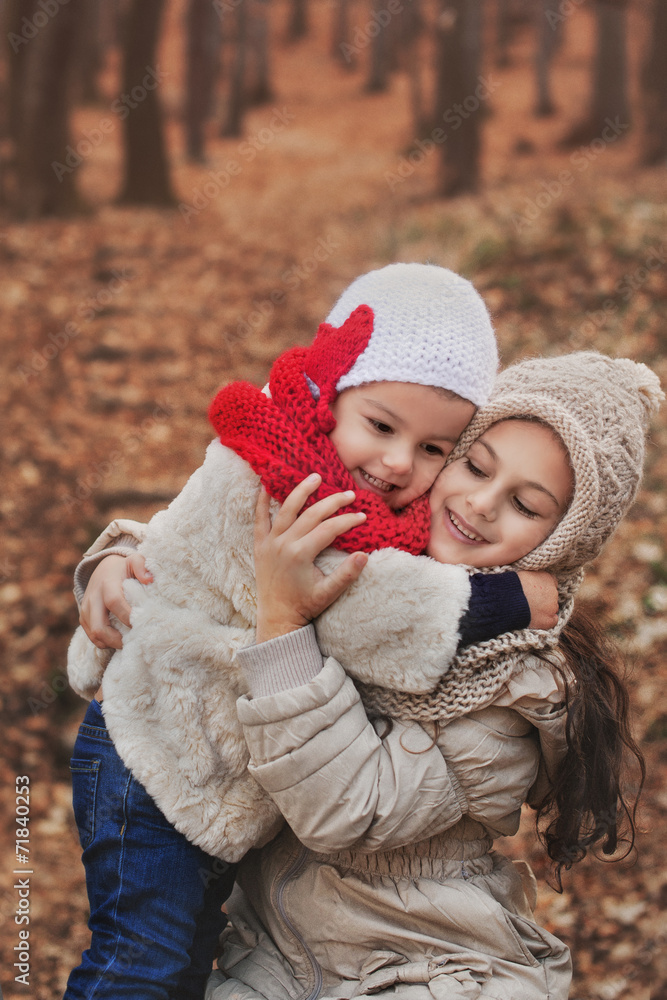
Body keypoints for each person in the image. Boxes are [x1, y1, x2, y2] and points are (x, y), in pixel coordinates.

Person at [64, 264, 558, 1000]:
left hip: (200, 770)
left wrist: (116, 552)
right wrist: (512, 602)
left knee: (183, 963)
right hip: (151, 758)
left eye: (433, 450)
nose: (398, 463)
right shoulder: (289, 478)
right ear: (327, 397)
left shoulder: (352, 486)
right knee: (142, 961)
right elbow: (362, 610)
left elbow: (188, 547)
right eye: (381, 427)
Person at [204, 351, 663, 1000]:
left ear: (563, 542)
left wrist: (282, 622)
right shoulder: (374, 538)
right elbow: (207, 547)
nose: (478, 503)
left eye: (524, 505)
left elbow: (346, 809)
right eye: (474, 465)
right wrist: (117, 560)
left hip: (426, 969)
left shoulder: (514, 687)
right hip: (272, 955)